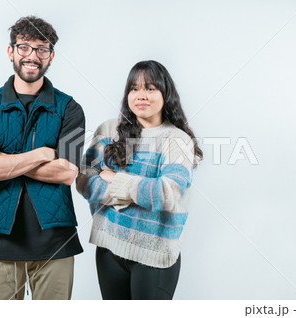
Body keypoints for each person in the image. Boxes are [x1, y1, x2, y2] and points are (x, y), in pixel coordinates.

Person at [0, 16, 85, 300]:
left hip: (55, 241)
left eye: (41, 49)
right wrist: (42, 154)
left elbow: (67, 173)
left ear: (51, 56)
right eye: (24, 47)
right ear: (11, 51)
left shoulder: (70, 109)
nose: (32, 56)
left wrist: (5, 161)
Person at [76, 60, 203, 300]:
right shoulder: (110, 130)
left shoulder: (176, 140)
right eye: (134, 89)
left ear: (166, 93)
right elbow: (84, 179)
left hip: (153, 256)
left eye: (150, 88)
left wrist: (114, 178)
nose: (141, 95)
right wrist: (136, 191)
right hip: (109, 248)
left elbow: (165, 194)